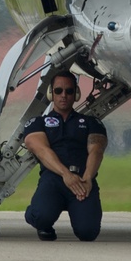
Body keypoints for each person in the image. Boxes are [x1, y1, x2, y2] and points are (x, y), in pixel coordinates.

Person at [22, 70, 108, 241]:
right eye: (58, 91)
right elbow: (42, 150)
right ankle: (40, 219)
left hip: (83, 179)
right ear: (51, 93)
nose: (64, 95)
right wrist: (66, 175)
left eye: (69, 91)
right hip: (53, 179)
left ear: (76, 94)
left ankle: (76, 210)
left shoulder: (91, 123)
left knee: (88, 232)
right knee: (41, 216)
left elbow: (96, 150)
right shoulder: (38, 123)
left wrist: (88, 178)